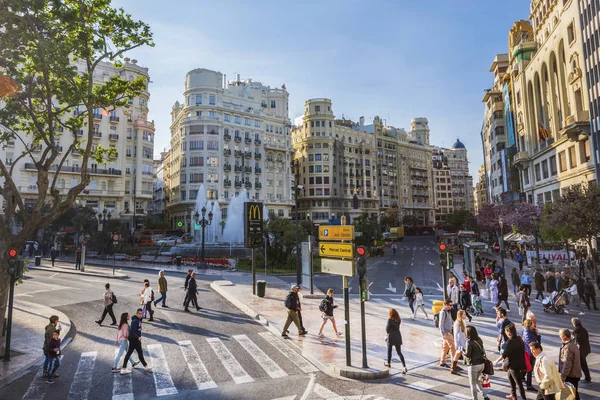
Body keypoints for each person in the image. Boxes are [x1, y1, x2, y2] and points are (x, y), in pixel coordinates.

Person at [494, 323, 527, 400]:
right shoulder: (519, 339)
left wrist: (496, 361)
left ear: (509, 332)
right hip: (519, 362)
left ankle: (523, 398)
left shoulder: (510, 342)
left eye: (506, 331)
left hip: (513, 364)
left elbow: (504, 354)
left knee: (518, 382)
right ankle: (513, 394)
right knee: (510, 377)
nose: (505, 333)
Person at [121, 308, 152, 374]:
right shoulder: (135, 321)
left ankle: (123, 369)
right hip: (134, 339)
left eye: (141, 313)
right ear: (136, 313)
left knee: (130, 353)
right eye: (139, 314)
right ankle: (145, 366)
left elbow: (140, 321)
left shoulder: (138, 319)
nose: (141, 315)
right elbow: (132, 331)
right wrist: (138, 337)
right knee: (139, 352)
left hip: (133, 339)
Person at [463, 326, 490, 400]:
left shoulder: (469, 342)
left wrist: (463, 351)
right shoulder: (479, 339)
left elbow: (468, 354)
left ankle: (474, 398)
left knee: (472, 384)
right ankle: (485, 396)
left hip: (473, 365)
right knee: (477, 381)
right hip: (482, 364)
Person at [558, 328, 582, 400]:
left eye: (560, 335)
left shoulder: (567, 347)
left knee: (571, 394)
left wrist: (563, 376)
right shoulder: (572, 344)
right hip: (575, 374)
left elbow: (567, 363)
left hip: (570, 375)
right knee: (574, 393)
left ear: (564, 336)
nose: (559, 337)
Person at [384, 308, 407, 374]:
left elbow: (387, 329)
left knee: (389, 351)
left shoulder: (389, 320)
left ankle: (388, 363)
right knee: (399, 352)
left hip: (391, 336)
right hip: (398, 336)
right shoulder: (398, 320)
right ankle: (404, 366)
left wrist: (387, 334)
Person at [523, 319, 541, 392]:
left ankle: (522, 377)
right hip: (530, 353)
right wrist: (536, 339)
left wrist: (537, 334)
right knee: (530, 369)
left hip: (532, 352)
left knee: (528, 367)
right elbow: (531, 343)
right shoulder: (527, 332)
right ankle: (529, 385)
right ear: (530, 325)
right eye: (533, 323)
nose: (535, 324)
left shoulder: (531, 331)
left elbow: (538, 341)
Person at [571, 318, 591, 383]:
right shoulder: (583, 329)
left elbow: (577, 340)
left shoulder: (576, 330)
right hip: (585, 349)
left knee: (583, 364)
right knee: (583, 363)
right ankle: (587, 377)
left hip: (581, 350)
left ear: (574, 324)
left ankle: (587, 378)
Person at [439, 299, 456, 369]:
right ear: (446, 305)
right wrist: (443, 334)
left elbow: (450, 320)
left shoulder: (448, 311)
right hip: (447, 333)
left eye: (452, 305)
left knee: (445, 348)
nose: (451, 306)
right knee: (453, 348)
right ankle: (454, 364)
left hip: (448, 331)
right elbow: (441, 324)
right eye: (450, 305)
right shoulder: (443, 312)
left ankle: (442, 361)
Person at [451, 310, 468, 375]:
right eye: (464, 314)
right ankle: (453, 368)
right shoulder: (457, 323)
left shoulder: (463, 321)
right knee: (458, 354)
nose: (465, 315)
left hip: (463, 341)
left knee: (460, 353)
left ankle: (454, 367)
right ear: (460, 315)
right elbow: (455, 334)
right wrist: (457, 344)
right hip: (460, 343)